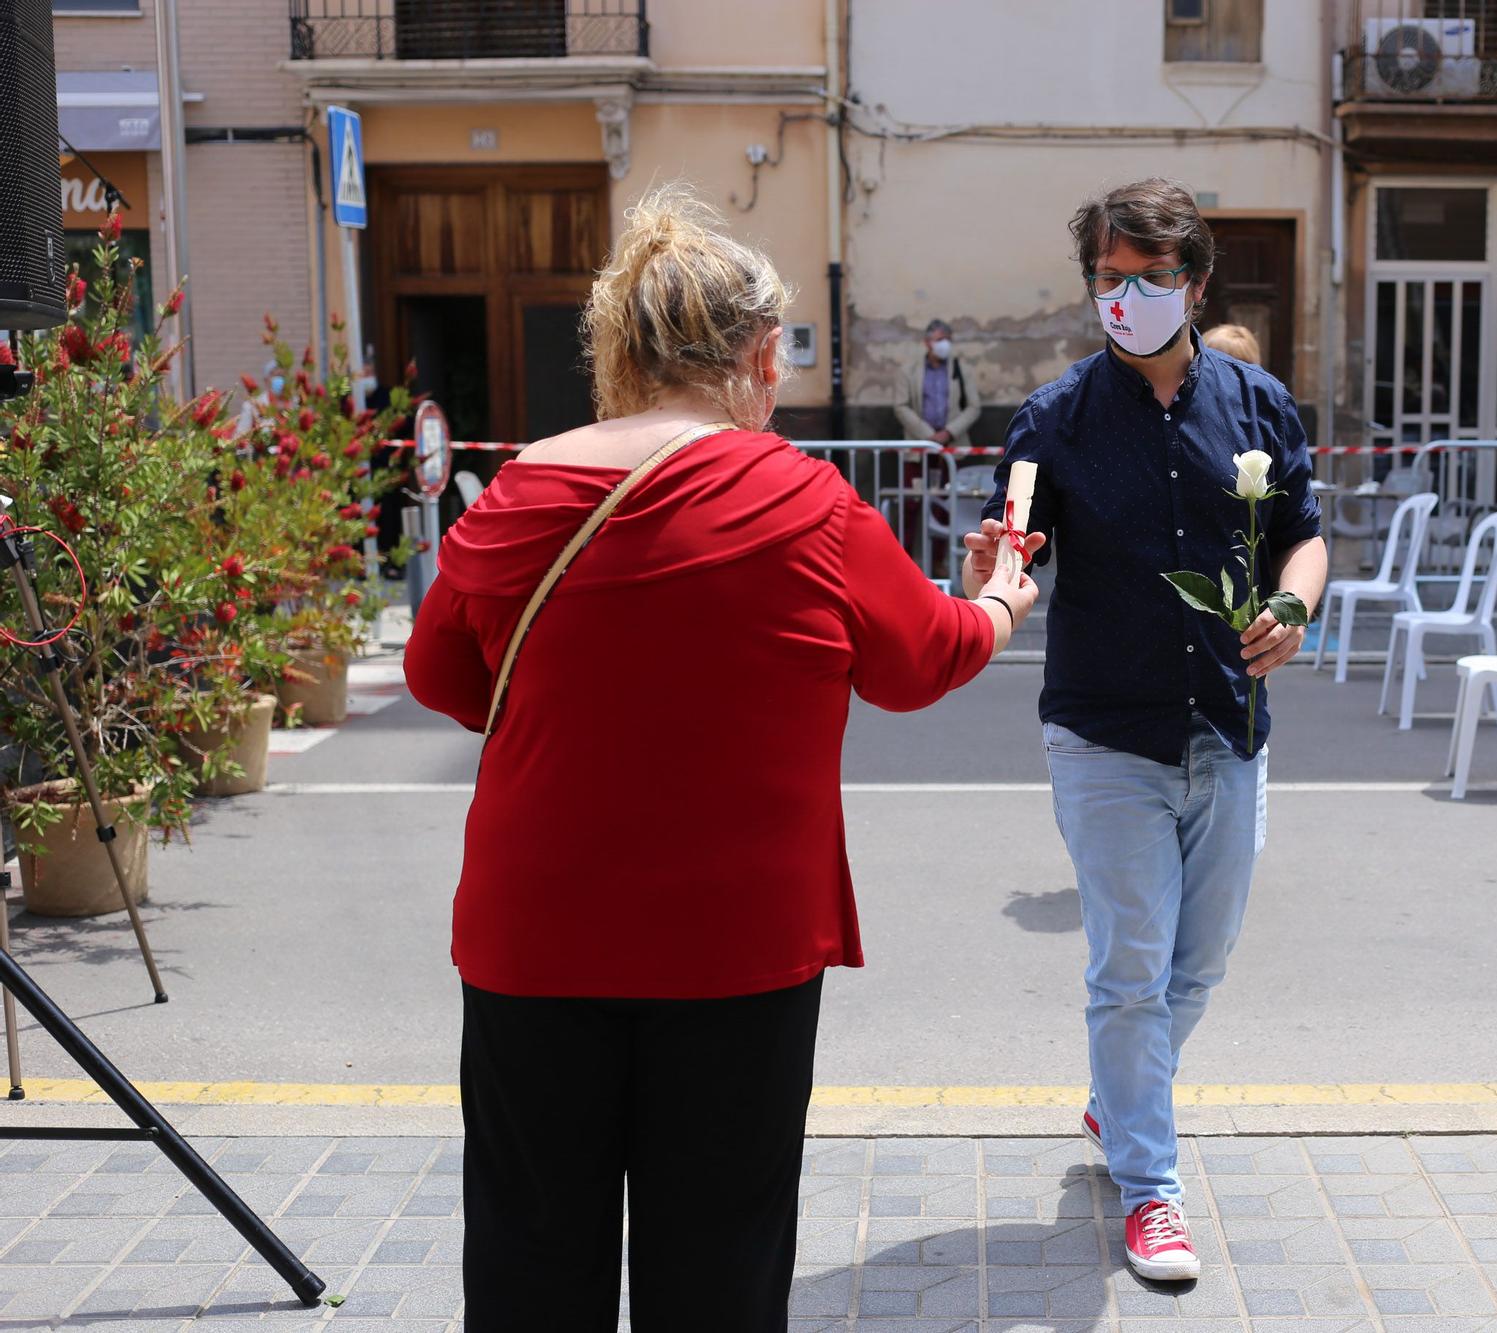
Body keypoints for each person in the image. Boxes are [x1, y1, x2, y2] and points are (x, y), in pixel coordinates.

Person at [403, 185, 1041, 1332]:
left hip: (533, 932)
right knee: (721, 1260)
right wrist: (996, 599)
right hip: (734, 949)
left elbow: (442, 678)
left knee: (526, 1253)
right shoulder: (804, 500)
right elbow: (919, 661)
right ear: (754, 354)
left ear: (622, 351)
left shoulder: (522, 485)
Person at [964, 178, 1325, 1284]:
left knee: (1198, 964)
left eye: (1149, 278)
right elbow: (1015, 558)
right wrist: (989, 583)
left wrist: (1294, 608)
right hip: (1106, 734)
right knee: (1127, 972)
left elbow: (1304, 540)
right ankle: (1151, 1190)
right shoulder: (1051, 421)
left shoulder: (1258, 405)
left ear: (1193, 283)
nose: (1126, 297)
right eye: (1108, 279)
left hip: (1229, 724)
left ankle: (1119, 1101)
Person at [895, 318, 981, 447]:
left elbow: (974, 407)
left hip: (952, 444)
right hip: (918, 443)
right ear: (927, 342)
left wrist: (949, 432)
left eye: (948, 340)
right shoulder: (909, 371)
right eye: (940, 340)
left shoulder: (962, 370)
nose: (945, 344)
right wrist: (928, 435)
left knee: (952, 468)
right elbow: (901, 406)